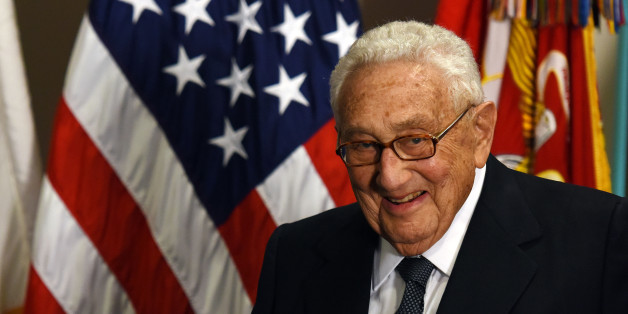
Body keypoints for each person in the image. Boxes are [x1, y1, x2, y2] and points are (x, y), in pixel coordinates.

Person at [252, 21, 628, 314]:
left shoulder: (601, 242)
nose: (391, 177)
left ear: (480, 134)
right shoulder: (295, 255)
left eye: (415, 140)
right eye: (364, 145)